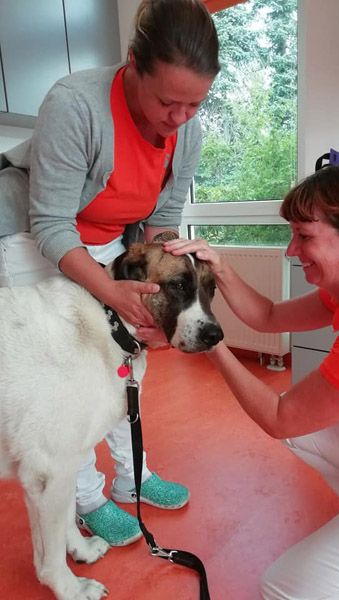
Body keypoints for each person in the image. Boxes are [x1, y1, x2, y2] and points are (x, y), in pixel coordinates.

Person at [164, 164, 339, 599]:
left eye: (304, 236)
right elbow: (268, 316)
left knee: (283, 587)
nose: (290, 250)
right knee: (305, 430)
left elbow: (279, 419)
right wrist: (219, 267)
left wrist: (208, 341)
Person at [0, 0, 219, 547]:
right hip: (33, 235)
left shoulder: (186, 129)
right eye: (167, 102)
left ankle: (133, 474)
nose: (180, 118)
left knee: (125, 358)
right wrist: (112, 294)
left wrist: (159, 287)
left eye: (195, 104)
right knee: (66, 379)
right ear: (133, 65)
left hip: (108, 237)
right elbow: (51, 224)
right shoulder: (75, 104)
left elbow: (163, 223)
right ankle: (85, 496)